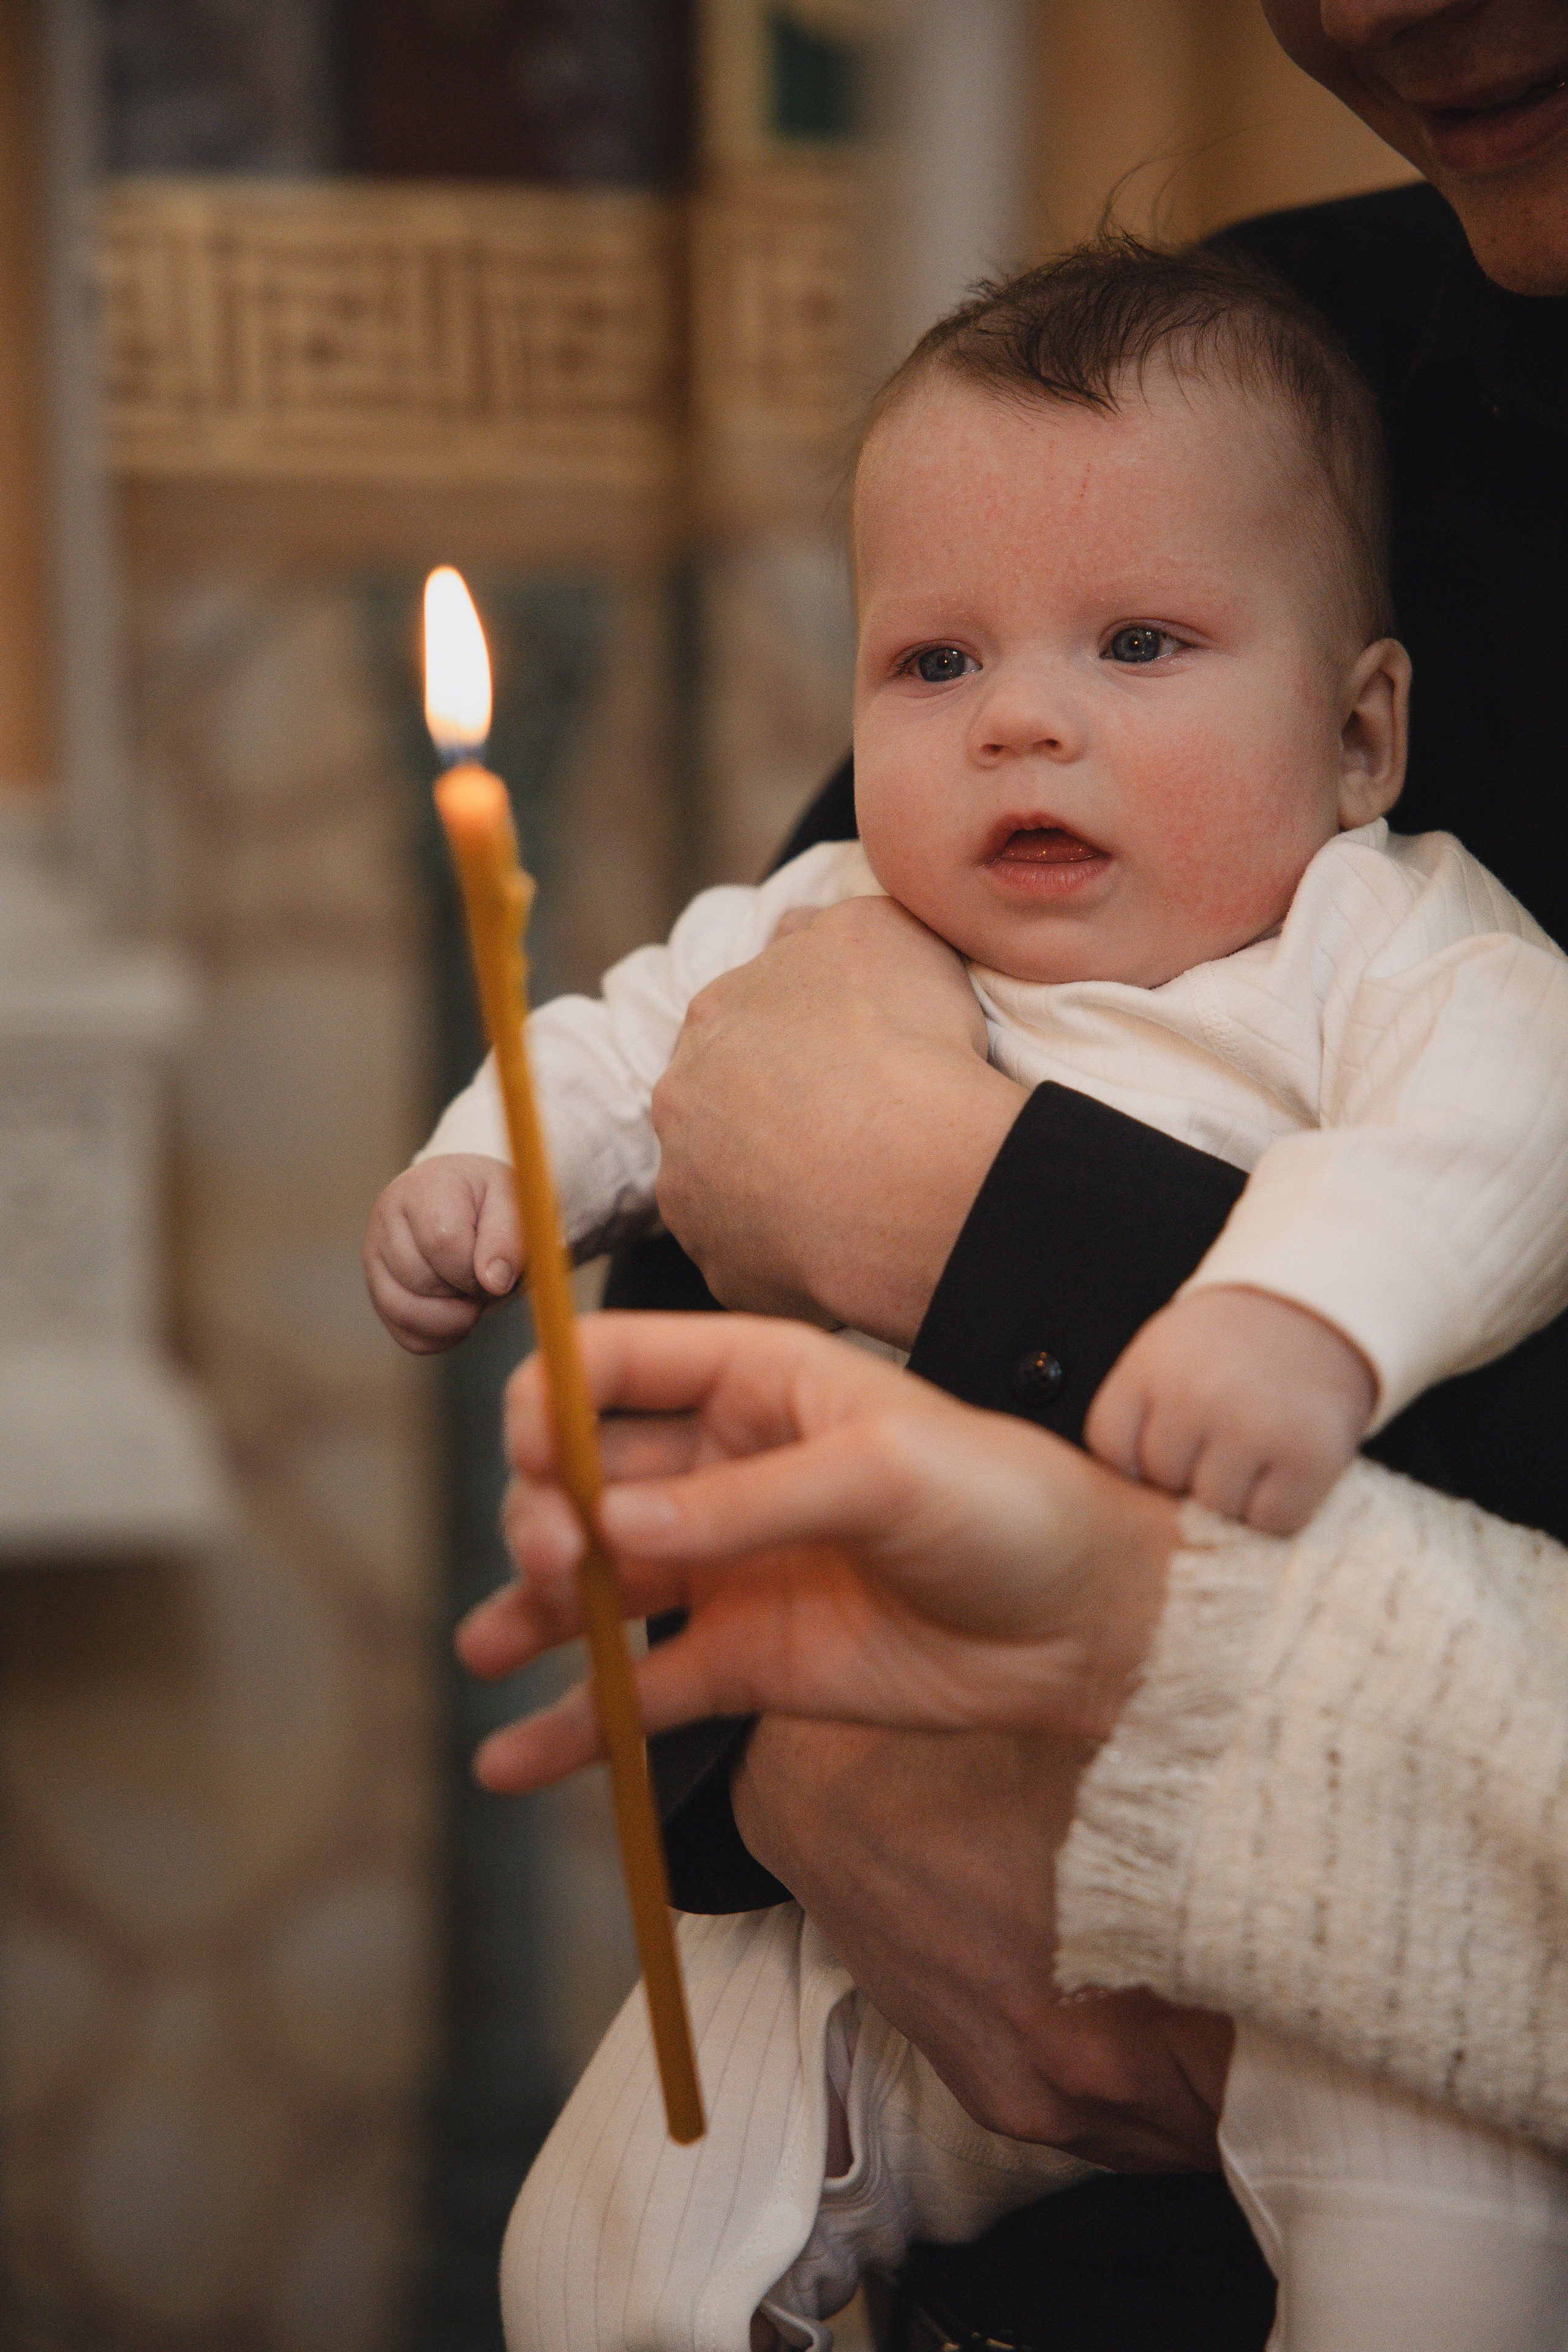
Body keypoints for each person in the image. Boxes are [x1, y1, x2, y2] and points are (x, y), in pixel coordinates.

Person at [366, 239, 1568, 2350]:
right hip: (864, 1870)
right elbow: (629, 1047)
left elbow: (1508, 1128)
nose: (1019, 717)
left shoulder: (1381, 943)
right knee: (596, 2241)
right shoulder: (845, 911)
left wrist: (1301, 1311)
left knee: (1438, 2238)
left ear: (1363, 731)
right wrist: (490, 1166)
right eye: (933, 663)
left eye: (1141, 644)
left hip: (1340, 1849)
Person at [464, 1306, 1568, 2347]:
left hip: (1424, 2006)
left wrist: (1162, 1616)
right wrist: (784, 1735)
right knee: (578, 2265)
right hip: (925, 1795)